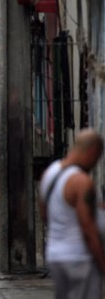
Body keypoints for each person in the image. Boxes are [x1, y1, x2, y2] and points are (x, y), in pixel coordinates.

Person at [40, 128, 105, 298]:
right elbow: (88, 229)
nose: (95, 163)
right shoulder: (81, 182)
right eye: (97, 158)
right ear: (92, 152)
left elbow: (45, 214)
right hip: (79, 258)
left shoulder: (50, 173)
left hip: (55, 255)